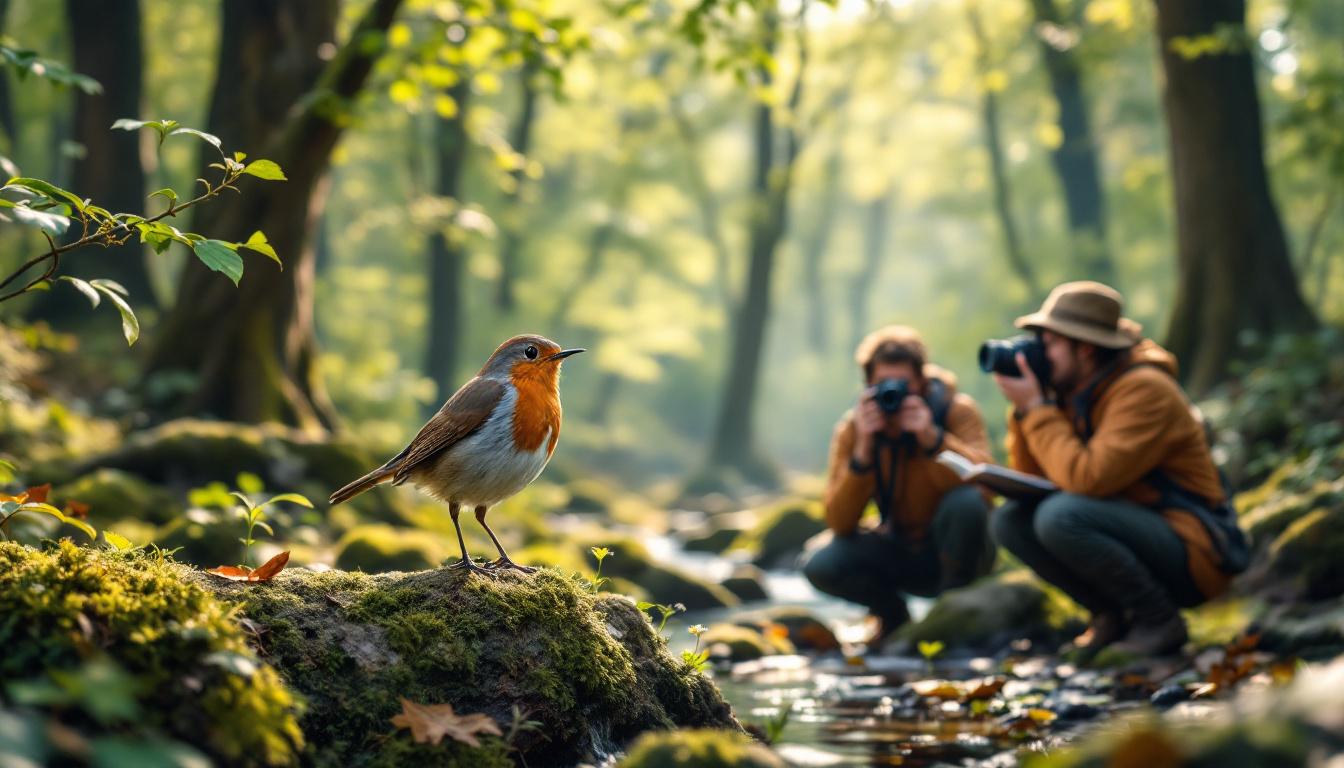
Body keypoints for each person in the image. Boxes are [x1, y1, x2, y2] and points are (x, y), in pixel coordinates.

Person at [990, 281, 1240, 656]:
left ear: (1085, 348)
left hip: (1194, 549)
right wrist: (1026, 410)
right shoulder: (1071, 392)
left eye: (1049, 342)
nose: (1038, 352)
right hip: (1131, 527)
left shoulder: (1145, 389)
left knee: (1061, 516)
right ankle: (1112, 617)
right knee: (1010, 520)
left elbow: (1088, 479)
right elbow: (1036, 478)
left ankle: (1159, 620)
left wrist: (1039, 411)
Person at [803, 326, 996, 645]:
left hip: (956, 551)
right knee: (821, 563)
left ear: (922, 382)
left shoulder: (955, 411)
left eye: (903, 384)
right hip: (899, 549)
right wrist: (863, 452)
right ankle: (893, 617)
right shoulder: (854, 428)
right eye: (882, 384)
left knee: (967, 501)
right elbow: (839, 521)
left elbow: (985, 484)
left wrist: (932, 439)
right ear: (867, 386)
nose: (893, 393)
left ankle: (952, 615)